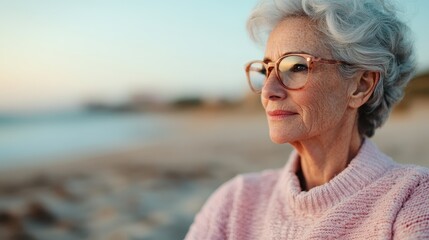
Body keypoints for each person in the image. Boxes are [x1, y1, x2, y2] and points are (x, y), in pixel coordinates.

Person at [185, 0, 429, 239]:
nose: (268, 90)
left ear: (360, 86)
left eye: (296, 66)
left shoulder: (412, 198)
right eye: (265, 70)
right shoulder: (234, 203)